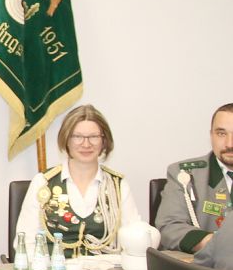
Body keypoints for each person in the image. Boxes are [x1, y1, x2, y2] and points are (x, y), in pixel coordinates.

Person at [15, 104, 141, 256]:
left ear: (104, 141)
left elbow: (135, 240)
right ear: (66, 139)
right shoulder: (42, 182)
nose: (86, 144)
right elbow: (25, 243)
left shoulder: (118, 185)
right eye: (77, 136)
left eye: (94, 137)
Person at [156, 103, 233, 253]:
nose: (230, 143)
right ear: (211, 135)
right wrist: (216, 244)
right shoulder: (185, 174)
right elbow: (169, 227)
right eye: (221, 133)